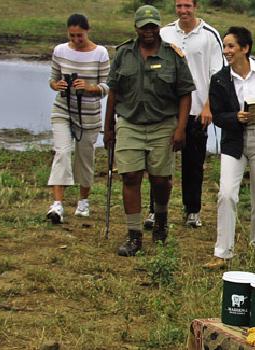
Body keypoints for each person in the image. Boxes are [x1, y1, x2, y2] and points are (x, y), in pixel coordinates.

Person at [104, 5, 195, 257]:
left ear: (159, 26)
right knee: (130, 176)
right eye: (144, 26)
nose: (149, 31)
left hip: (163, 124)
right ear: (136, 27)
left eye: (153, 26)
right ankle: (134, 235)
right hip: (130, 123)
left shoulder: (173, 55)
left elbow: (185, 93)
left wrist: (181, 128)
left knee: (160, 179)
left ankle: (161, 219)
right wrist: (107, 127)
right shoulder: (123, 54)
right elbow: (113, 92)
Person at [203, 26, 255, 269]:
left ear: (245, 48)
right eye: (225, 47)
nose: (226, 51)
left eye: (231, 46)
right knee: (226, 194)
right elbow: (218, 115)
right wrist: (235, 118)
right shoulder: (219, 79)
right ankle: (222, 252)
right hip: (234, 141)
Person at [149, 0, 224, 229]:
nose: (183, 11)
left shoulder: (210, 35)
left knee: (193, 163)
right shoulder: (165, 33)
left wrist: (209, 106)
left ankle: (193, 210)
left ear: (195, 6)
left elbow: (217, 74)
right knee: (159, 164)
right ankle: (155, 211)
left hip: (197, 109)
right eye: (179, 6)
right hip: (166, 110)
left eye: (187, 6)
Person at [46, 13, 110, 224]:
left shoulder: (100, 53)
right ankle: (57, 205)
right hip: (62, 108)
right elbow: (52, 79)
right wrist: (58, 85)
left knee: (85, 158)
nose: (75, 40)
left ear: (87, 31)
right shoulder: (60, 50)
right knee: (62, 152)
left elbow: (106, 87)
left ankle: (83, 201)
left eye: (79, 36)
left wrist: (89, 88)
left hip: (89, 115)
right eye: (72, 36)